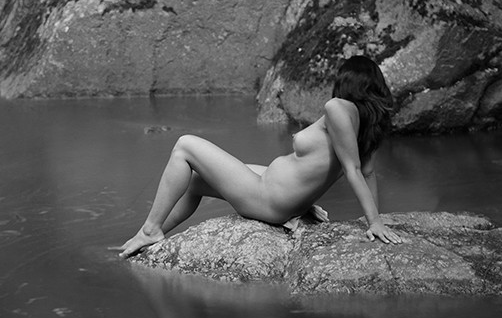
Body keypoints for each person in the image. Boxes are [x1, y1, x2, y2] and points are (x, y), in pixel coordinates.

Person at [118, 55, 402, 258]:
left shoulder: (337, 107)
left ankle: (150, 229)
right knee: (195, 182)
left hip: (268, 199)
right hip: (280, 195)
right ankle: (150, 238)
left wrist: (374, 222)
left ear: (346, 82)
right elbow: (366, 173)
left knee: (185, 146)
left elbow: (354, 170)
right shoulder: (367, 124)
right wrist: (306, 203)